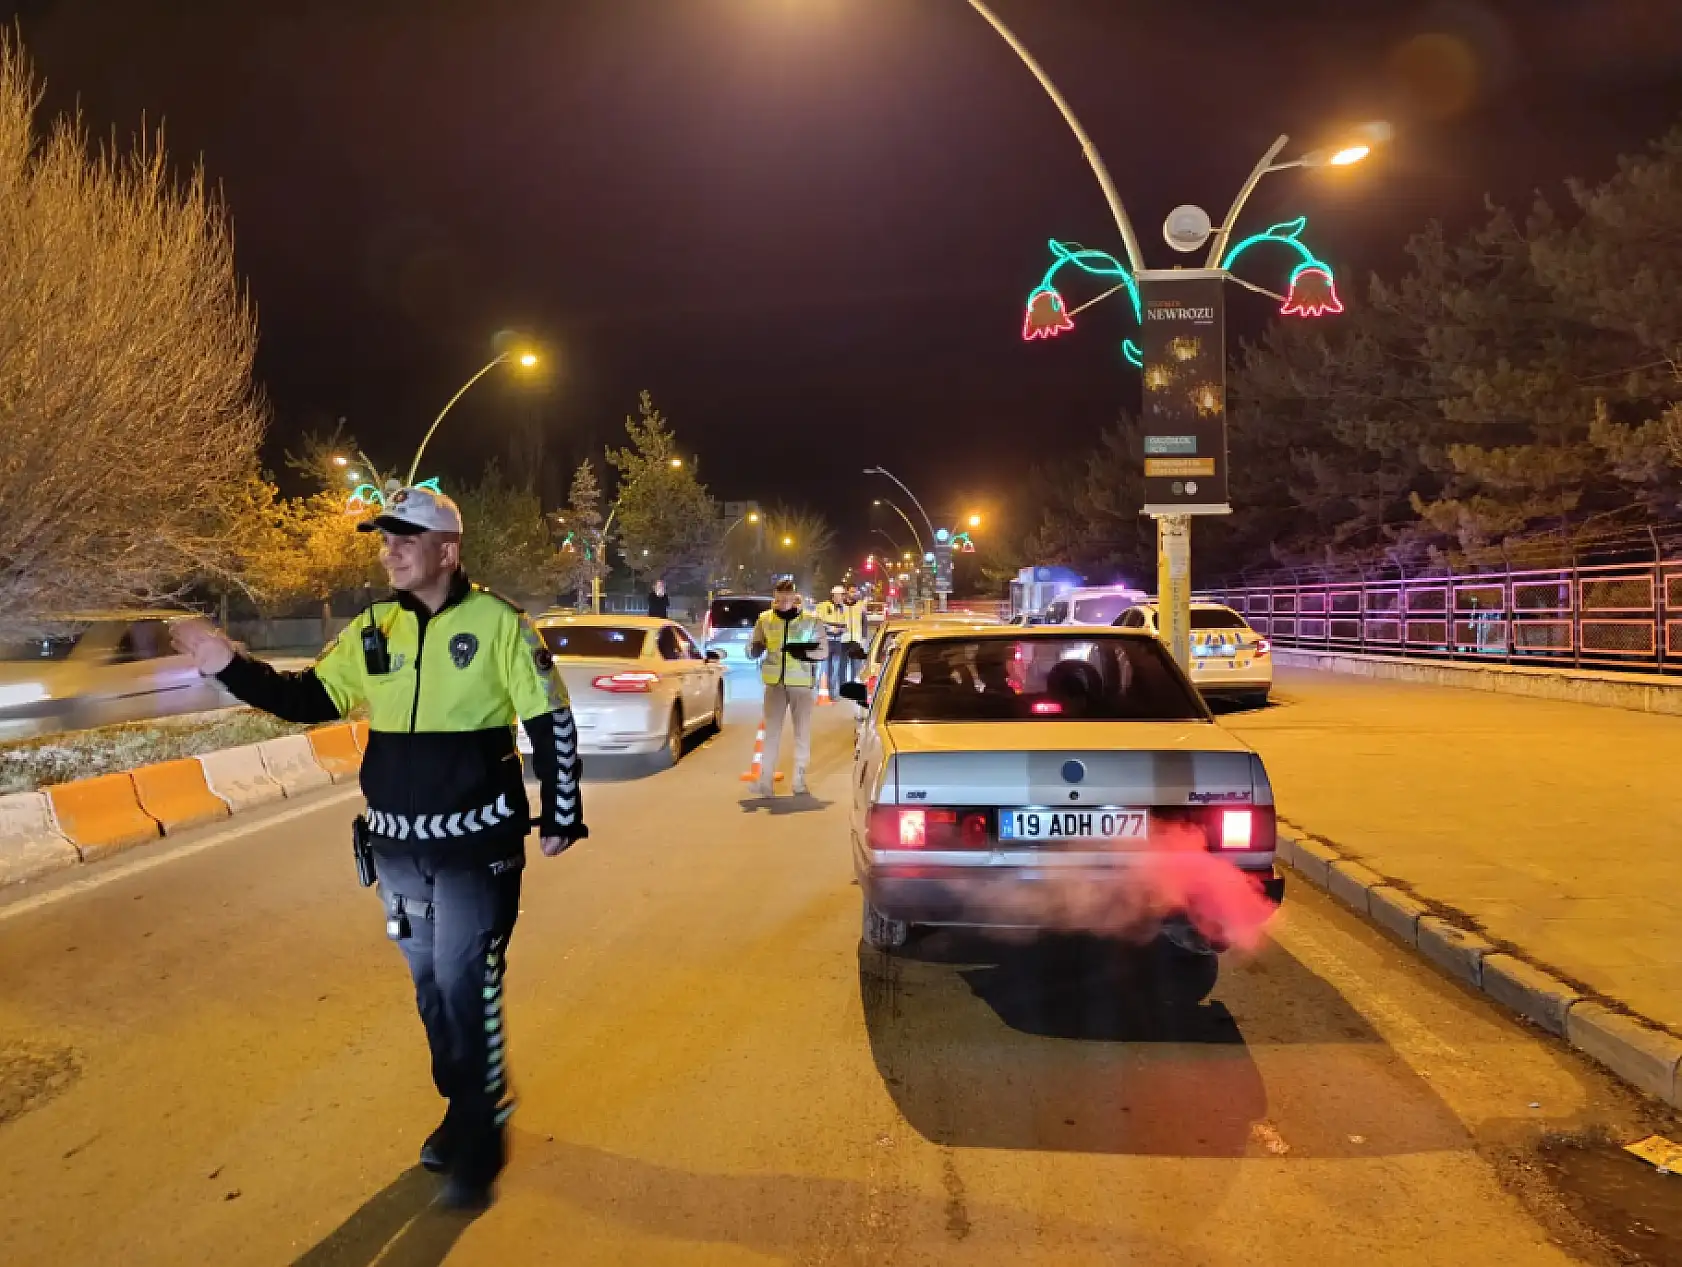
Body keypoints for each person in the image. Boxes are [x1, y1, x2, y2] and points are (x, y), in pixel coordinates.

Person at [171, 485, 587, 1212]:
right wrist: (226, 663)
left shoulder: (500, 624)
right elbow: (309, 698)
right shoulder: (372, 630)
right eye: (384, 537)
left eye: (404, 537)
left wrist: (561, 809)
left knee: (467, 987)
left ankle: (478, 1146)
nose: (388, 549)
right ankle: (466, 1100)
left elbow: (552, 717)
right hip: (396, 854)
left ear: (446, 551)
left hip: (476, 852)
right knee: (431, 994)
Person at [747, 579, 827, 796]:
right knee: (771, 734)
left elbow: (823, 651)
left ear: (794, 598)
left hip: (801, 684)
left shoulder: (810, 620)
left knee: (802, 733)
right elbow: (751, 647)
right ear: (775, 597)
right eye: (779, 599)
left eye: (787, 599)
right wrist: (754, 649)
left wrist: (805, 653)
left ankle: (799, 780)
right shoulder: (765, 619)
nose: (783, 603)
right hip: (774, 685)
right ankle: (765, 783)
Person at [815, 585, 848, 698]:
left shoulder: (843, 608)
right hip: (826, 641)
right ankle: (824, 690)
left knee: (835, 668)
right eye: (840, 595)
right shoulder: (823, 606)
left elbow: (845, 625)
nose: (842, 597)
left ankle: (832, 692)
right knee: (825, 667)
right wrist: (830, 629)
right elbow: (818, 622)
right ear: (834, 595)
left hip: (837, 642)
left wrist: (842, 629)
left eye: (843, 595)